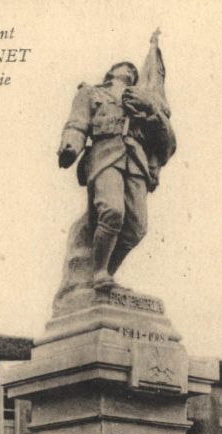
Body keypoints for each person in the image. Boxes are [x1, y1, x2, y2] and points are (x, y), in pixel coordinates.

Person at [58, 59, 176, 291]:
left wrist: (152, 112)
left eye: (134, 70)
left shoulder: (146, 102)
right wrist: (70, 145)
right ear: (111, 71)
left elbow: (168, 142)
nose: (132, 70)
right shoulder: (91, 93)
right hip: (105, 155)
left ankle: (102, 274)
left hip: (137, 163)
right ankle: (100, 272)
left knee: (137, 228)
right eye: (126, 67)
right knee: (112, 211)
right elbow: (77, 124)